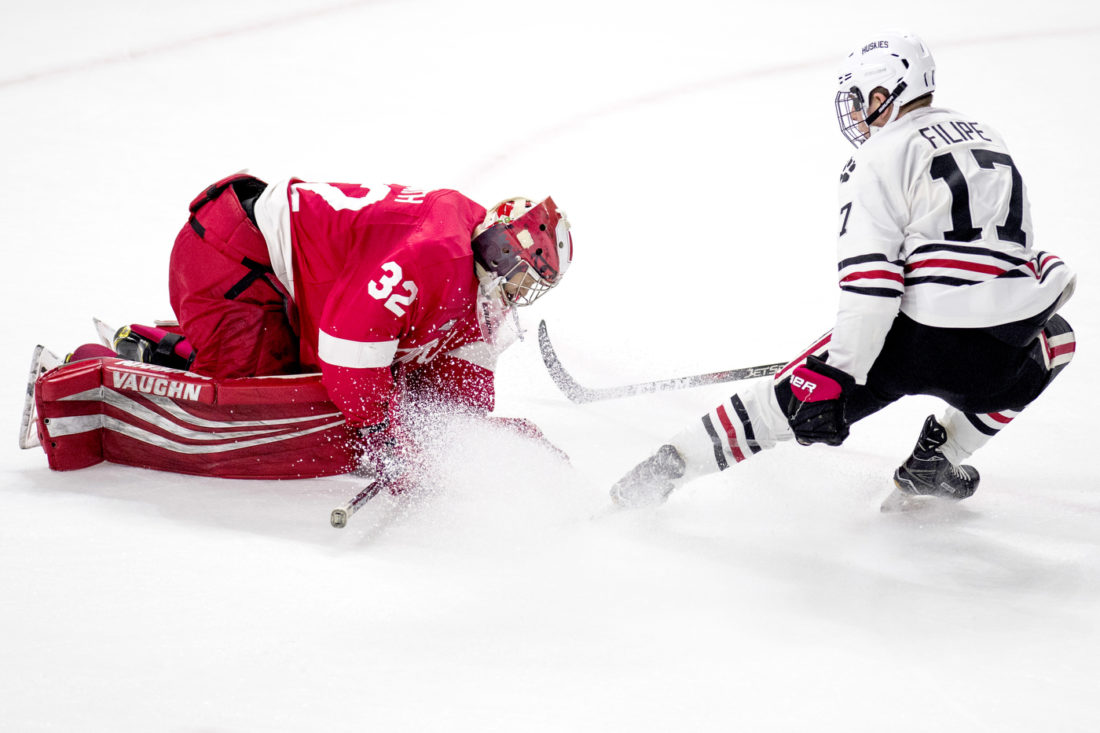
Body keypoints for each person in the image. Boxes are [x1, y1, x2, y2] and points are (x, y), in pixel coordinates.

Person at [610, 31, 1076, 511]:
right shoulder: (989, 136)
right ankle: (940, 458)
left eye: (859, 99)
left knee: (777, 405)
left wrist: (838, 371)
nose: (854, 113)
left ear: (884, 94)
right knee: (1058, 340)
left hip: (914, 340)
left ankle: (659, 474)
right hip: (996, 353)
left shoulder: (878, 156)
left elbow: (872, 285)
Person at [142, 173, 573, 483]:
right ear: (495, 241)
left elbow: (458, 381)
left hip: (287, 277)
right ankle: (155, 352)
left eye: (530, 282)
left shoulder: (475, 265)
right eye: (518, 269)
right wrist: (383, 437)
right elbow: (347, 351)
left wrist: (468, 439)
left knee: (375, 385)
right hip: (228, 251)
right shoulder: (435, 255)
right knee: (268, 396)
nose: (517, 286)